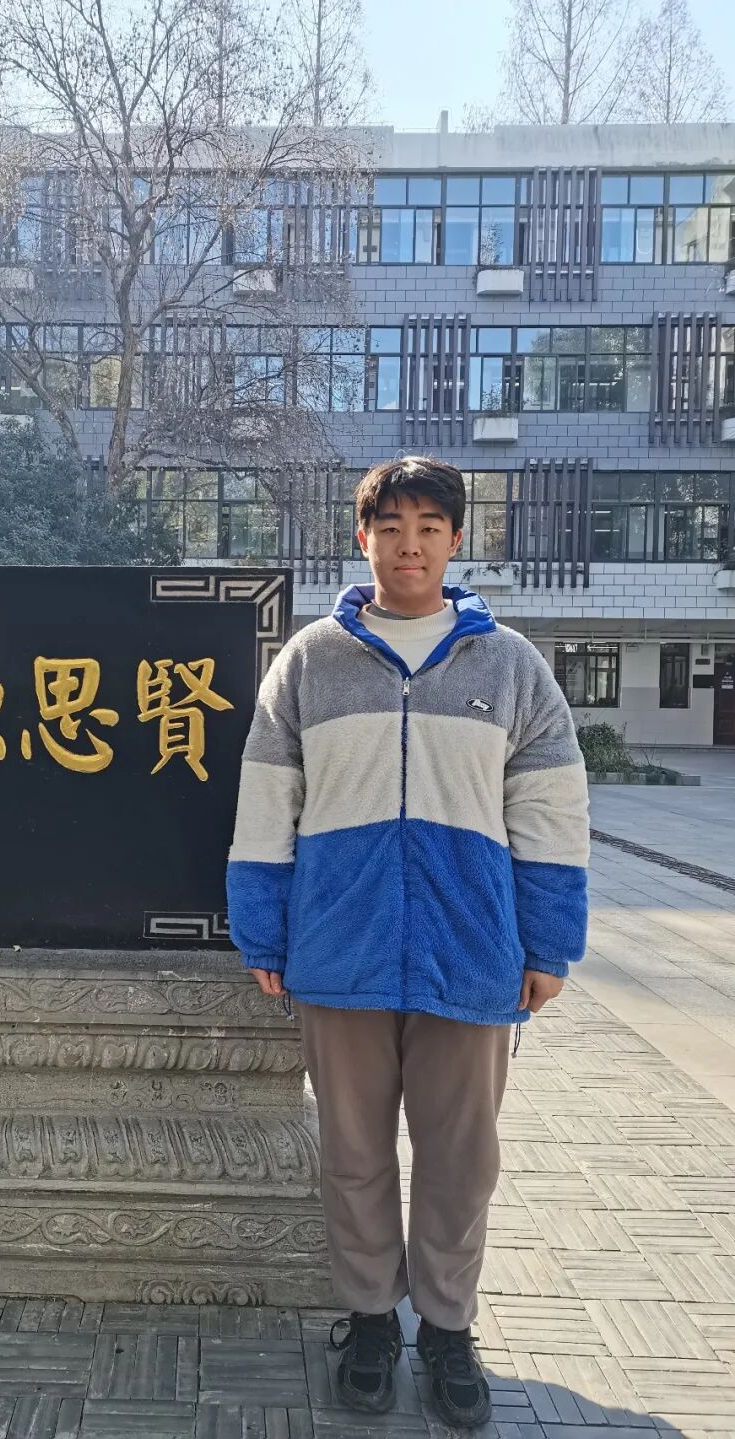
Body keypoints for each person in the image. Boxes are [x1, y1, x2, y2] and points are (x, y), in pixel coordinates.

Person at [226, 456, 590, 1427]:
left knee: (461, 1155)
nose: (410, 544)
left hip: (470, 952)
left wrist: (549, 943)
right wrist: (263, 926)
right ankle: (369, 1319)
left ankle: (448, 1326)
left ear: (456, 540)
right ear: (364, 539)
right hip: (338, 947)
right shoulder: (311, 661)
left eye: (429, 526)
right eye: (391, 527)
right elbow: (268, 798)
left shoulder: (509, 665)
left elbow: (551, 808)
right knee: (352, 1151)